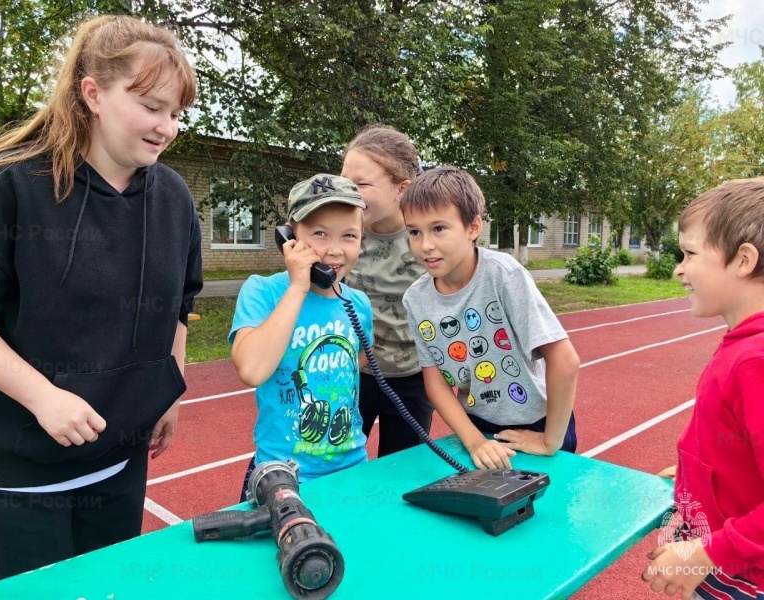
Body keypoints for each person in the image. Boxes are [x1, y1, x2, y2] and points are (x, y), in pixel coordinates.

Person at [0, 15, 202, 582]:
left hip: (119, 456)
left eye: (175, 113)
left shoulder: (174, 197)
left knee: (111, 588)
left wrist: (170, 385)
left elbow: (178, 306)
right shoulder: (1, 186)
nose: (166, 127)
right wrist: (44, 396)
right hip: (18, 465)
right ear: (93, 94)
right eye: (150, 106)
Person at [400, 166, 579, 470]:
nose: (425, 245)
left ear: (473, 227)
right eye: (415, 231)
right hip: (478, 424)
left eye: (439, 228)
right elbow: (435, 382)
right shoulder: (416, 299)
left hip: (536, 423)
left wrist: (550, 441)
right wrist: (474, 440)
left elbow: (565, 360)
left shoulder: (503, 275)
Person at [642, 178, 764, 600]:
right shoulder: (745, 343)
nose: (679, 268)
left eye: (690, 253)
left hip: (744, 578)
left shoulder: (756, 360)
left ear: (743, 259)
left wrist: (707, 555)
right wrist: (701, 470)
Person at [229, 174, 373, 501]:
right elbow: (251, 370)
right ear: (290, 236)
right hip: (283, 476)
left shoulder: (358, 305)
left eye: (349, 236)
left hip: (353, 467)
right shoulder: (263, 292)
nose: (334, 250)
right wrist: (298, 287)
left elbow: (358, 362)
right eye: (319, 233)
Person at [341, 124, 434, 457]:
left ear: (402, 189)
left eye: (361, 184)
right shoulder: (341, 233)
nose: (348, 192)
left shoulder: (426, 239)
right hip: (350, 375)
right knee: (336, 467)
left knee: (401, 473)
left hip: (412, 378)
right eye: (344, 181)